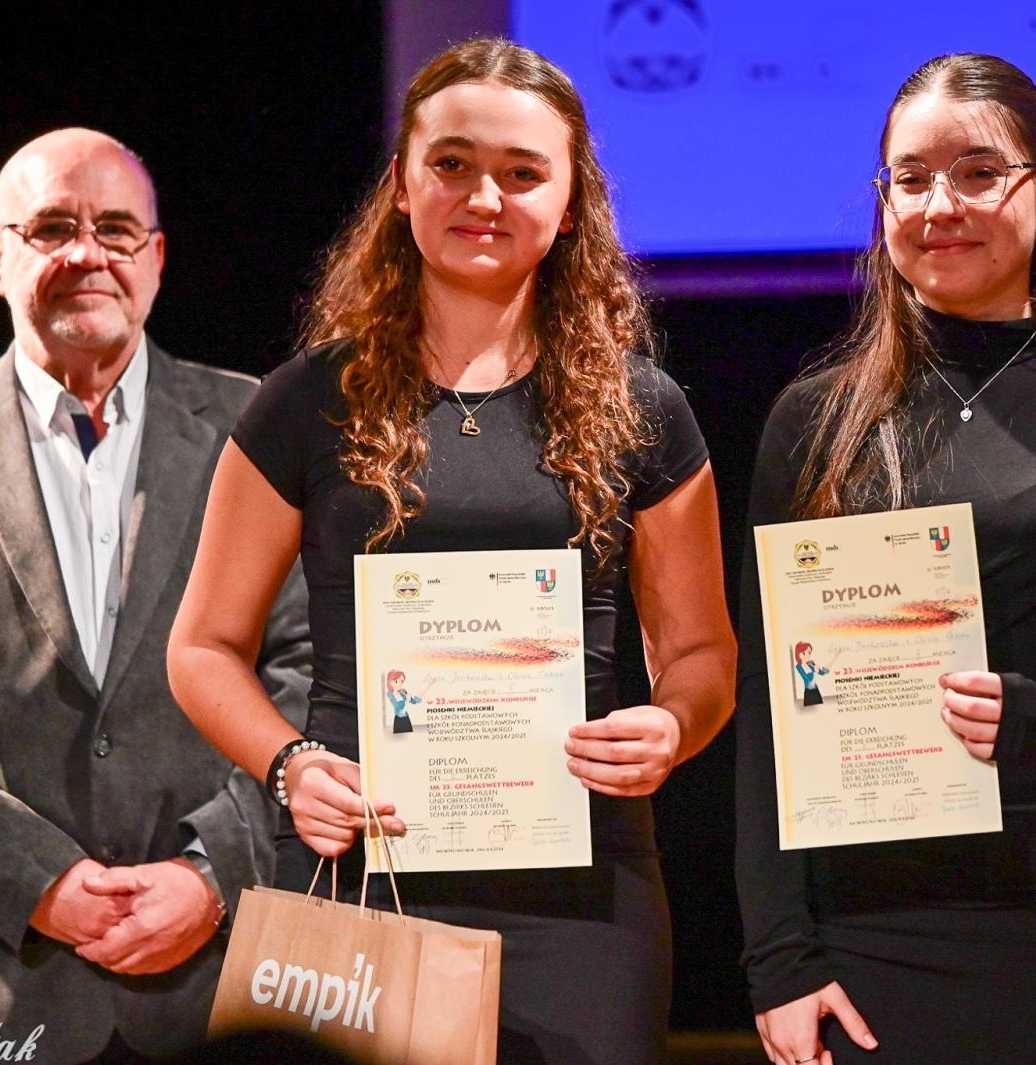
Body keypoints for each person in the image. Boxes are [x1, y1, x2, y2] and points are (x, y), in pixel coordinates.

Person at [168, 38, 735, 1064]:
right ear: (400, 185)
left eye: (523, 173)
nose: (486, 196)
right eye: (453, 164)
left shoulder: (646, 410)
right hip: (356, 874)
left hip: (584, 892)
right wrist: (290, 766)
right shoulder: (307, 401)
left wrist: (672, 725)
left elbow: (703, 656)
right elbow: (202, 647)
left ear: (570, 205)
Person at [734, 54, 1036, 1064]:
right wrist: (780, 960)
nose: (938, 205)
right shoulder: (815, 422)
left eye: (975, 172)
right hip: (877, 933)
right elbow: (771, 714)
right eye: (909, 179)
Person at [0, 128, 313, 1064]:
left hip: (224, 984)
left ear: (157, 260)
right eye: (53, 227)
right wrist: (36, 879)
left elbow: (310, 670)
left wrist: (212, 875)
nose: (89, 253)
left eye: (118, 230)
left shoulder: (261, 426)